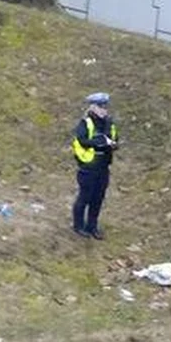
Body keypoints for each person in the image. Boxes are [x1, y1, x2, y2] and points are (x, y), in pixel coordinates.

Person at [71, 92, 118, 239]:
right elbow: (81, 140)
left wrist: (113, 144)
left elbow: (115, 138)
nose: (104, 109)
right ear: (93, 107)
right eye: (100, 106)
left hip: (103, 166)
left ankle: (92, 227)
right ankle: (78, 226)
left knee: (98, 198)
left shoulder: (109, 122)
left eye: (105, 106)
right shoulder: (86, 122)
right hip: (88, 167)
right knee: (85, 197)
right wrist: (100, 142)